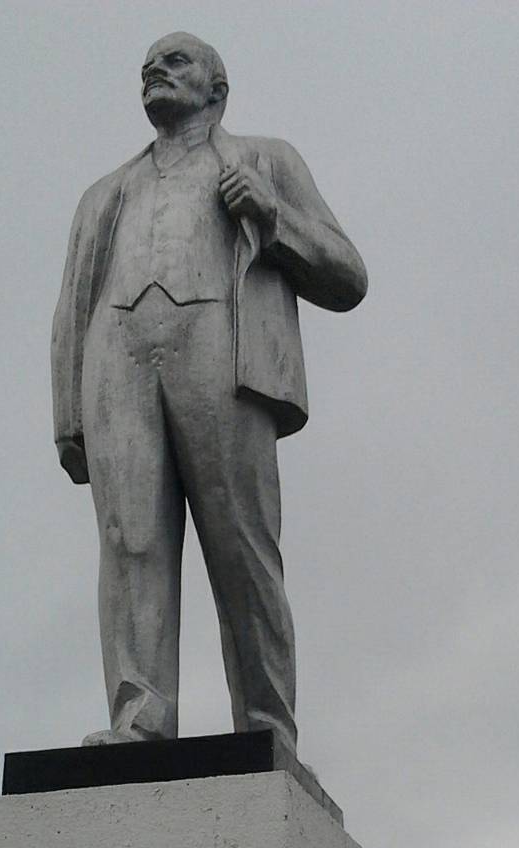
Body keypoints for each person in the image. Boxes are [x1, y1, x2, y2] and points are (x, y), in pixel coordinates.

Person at [52, 33, 366, 756]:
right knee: (129, 541)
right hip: (117, 360)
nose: (155, 72)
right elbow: (73, 305)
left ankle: (265, 727)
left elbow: (347, 275)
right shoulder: (105, 195)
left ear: (217, 88)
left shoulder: (266, 160)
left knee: (241, 546)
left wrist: (273, 215)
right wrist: (69, 415)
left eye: (175, 62)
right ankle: (140, 719)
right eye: (147, 67)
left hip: (223, 354)